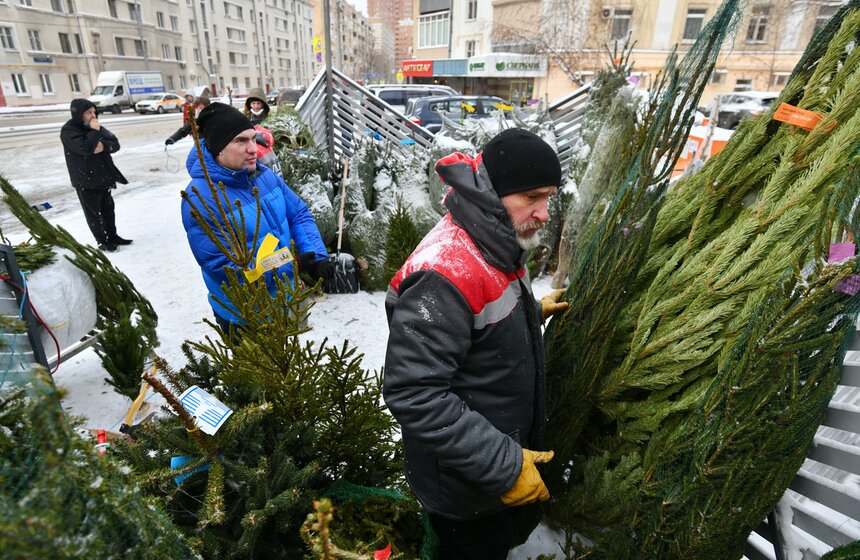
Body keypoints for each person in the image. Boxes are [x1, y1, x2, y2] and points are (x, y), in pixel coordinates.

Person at [382, 128, 569, 560]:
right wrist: (504, 466)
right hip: (465, 485)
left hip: (489, 464)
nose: (544, 213)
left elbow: (473, 326)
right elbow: (414, 392)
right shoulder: (443, 273)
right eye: (532, 198)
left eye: (549, 198)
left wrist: (531, 312)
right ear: (493, 193)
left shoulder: (496, 241)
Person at [180, 102, 331, 333]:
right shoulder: (202, 198)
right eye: (241, 141)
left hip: (287, 298)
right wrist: (294, 264)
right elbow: (224, 267)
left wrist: (315, 254)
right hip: (246, 314)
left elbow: (298, 213)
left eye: (253, 138)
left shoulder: (264, 176)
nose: (253, 148)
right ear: (217, 148)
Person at [60, 98, 132, 252]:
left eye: (94, 112)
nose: (93, 115)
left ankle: (113, 236)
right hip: (85, 179)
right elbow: (85, 149)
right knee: (93, 214)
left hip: (103, 176)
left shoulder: (96, 127)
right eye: (89, 112)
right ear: (79, 114)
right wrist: (94, 133)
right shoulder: (69, 130)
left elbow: (115, 144)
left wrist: (103, 145)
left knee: (108, 210)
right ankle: (102, 241)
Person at [242, 88, 281, 176]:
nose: (255, 106)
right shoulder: (246, 118)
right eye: (253, 103)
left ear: (263, 104)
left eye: (258, 103)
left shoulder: (269, 119)